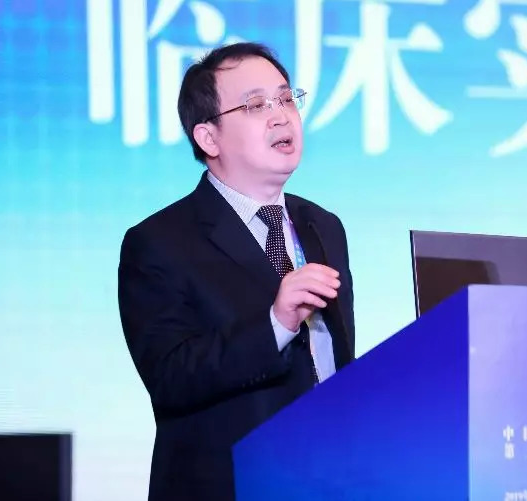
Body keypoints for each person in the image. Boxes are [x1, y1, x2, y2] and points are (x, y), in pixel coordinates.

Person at [117, 42, 355, 501]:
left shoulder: (323, 226)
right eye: (256, 105)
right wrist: (277, 323)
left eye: (286, 99)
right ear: (209, 138)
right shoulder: (159, 242)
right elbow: (171, 379)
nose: (281, 116)